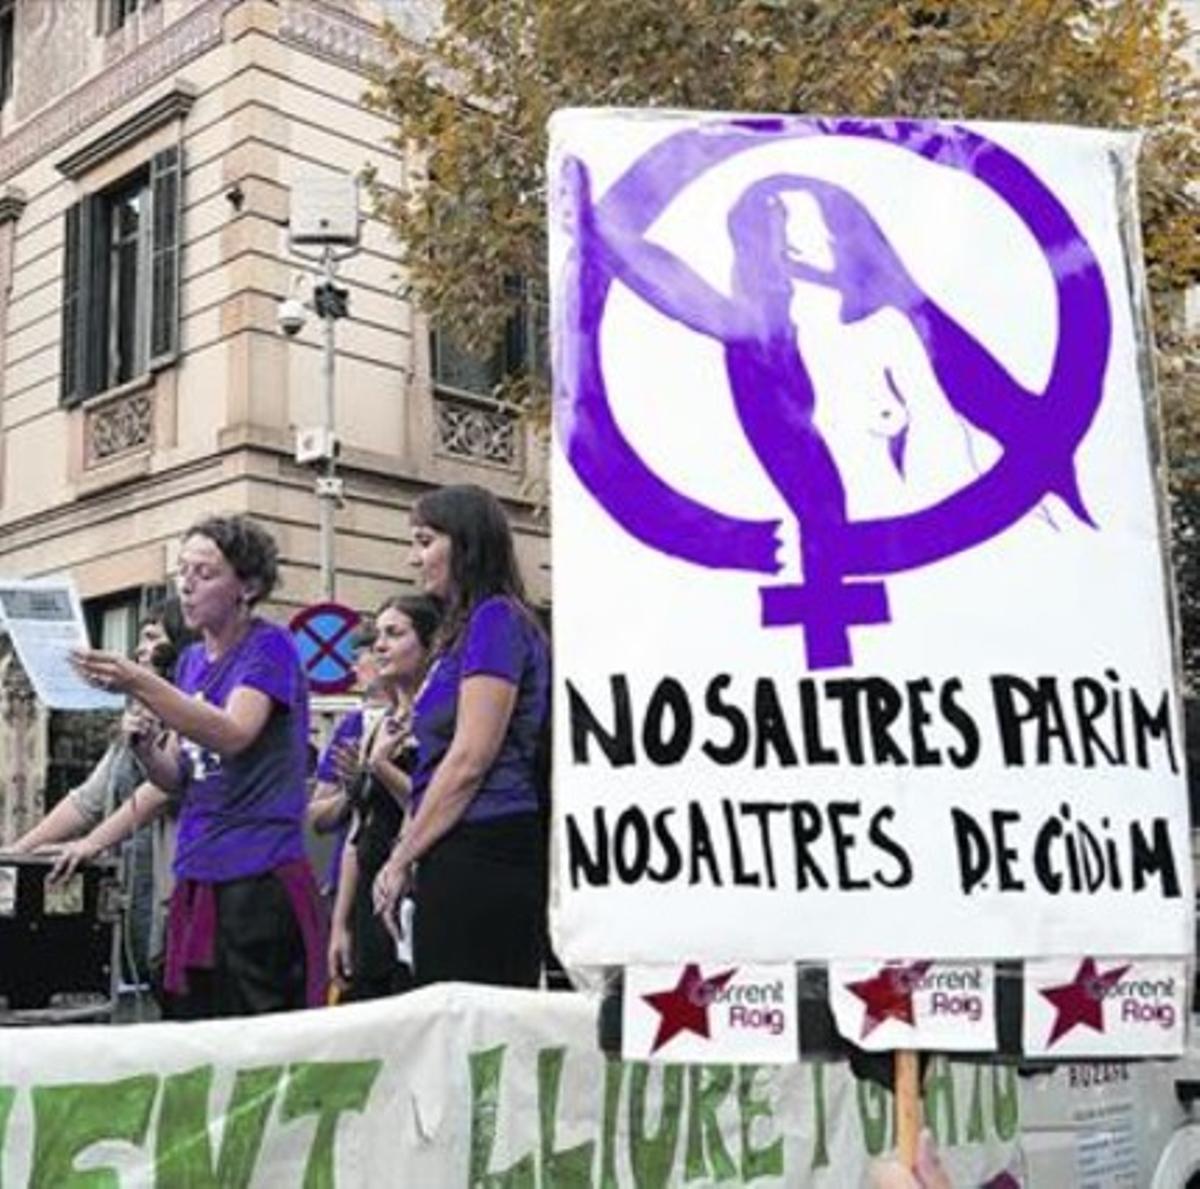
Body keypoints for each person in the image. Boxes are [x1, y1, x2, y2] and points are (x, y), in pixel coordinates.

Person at [67, 514, 324, 1019]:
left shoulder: (269, 646)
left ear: (247, 587)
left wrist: (140, 682)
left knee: (255, 1026)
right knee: (191, 1020)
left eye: (204, 573)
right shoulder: (189, 663)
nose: (186, 585)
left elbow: (234, 733)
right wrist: (146, 749)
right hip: (197, 868)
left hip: (258, 870)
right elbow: (180, 778)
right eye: (181, 571)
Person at [373, 484, 551, 989]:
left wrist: (402, 856)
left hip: (486, 842)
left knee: (470, 1013)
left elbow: (471, 756)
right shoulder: (465, 631)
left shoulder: (497, 619)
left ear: (467, 544)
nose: (414, 558)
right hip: (457, 843)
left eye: (425, 541)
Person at [13, 602, 189, 984]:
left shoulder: (191, 713)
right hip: (127, 884)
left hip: (170, 880)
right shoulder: (136, 716)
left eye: (151, 637)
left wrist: (90, 844)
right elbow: (87, 801)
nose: (139, 650)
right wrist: (17, 855)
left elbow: (161, 791)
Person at [328, 594, 441, 1001]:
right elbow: (357, 832)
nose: (379, 646)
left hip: (412, 890)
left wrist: (380, 766)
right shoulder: (379, 724)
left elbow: (433, 803)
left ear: (429, 644)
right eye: (378, 635)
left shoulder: (438, 720)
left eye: (394, 633)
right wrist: (340, 924)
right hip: (368, 896)